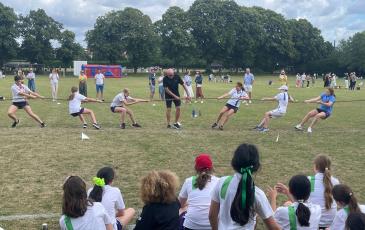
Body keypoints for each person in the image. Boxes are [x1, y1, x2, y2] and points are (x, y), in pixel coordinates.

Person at [209, 143, 280, 230]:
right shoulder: (257, 194)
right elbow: (274, 227)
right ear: (256, 166)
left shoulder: (222, 182)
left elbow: (212, 215)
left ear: (234, 162)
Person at [178, 153, 219, 230]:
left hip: (191, 226)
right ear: (212, 167)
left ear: (196, 168)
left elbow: (179, 204)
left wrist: (187, 206)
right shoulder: (219, 182)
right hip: (213, 226)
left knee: (181, 211)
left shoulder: (189, 181)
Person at [306, 154, 340, 229]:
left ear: (315, 167)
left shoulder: (309, 180)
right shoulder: (335, 182)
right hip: (331, 224)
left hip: (314, 224)